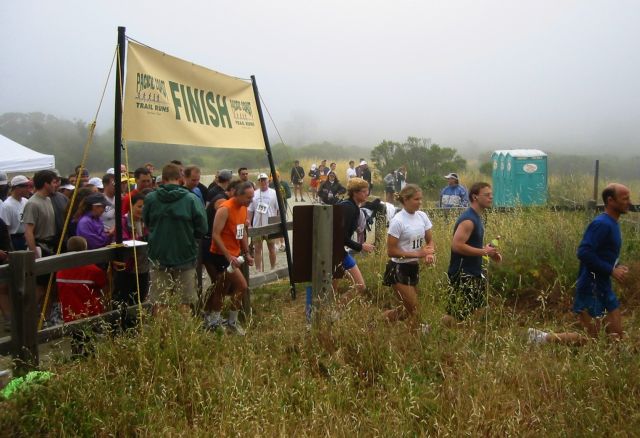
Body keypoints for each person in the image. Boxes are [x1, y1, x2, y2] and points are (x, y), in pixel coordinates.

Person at [529, 183, 632, 345]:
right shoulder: (602, 224)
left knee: (616, 336)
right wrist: (611, 270)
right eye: (625, 199)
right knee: (592, 340)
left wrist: (616, 266)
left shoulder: (613, 223)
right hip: (591, 288)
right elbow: (584, 252)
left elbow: (603, 253)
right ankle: (541, 338)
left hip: (603, 286)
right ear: (611, 200)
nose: (629, 202)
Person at [143, 163, 208, 315]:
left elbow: (147, 223)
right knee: (184, 302)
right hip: (185, 254)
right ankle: (183, 336)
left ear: (163, 179)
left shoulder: (151, 199)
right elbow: (203, 228)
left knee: (160, 302)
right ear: (180, 178)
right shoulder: (191, 199)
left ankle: (163, 337)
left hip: (158, 255)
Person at [444, 182, 502, 324]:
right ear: (475, 197)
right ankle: (441, 332)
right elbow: (457, 246)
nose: (491, 197)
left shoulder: (477, 217)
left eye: (491, 194)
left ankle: (436, 330)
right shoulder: (469, 220)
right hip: (463, 273)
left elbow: (470, 245)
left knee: (467, 312)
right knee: (468, 313)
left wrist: (488, 251)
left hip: (472, 272)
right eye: (487, 195)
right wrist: (483, 251)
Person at [382, 184, 435, 331]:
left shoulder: (422, 216)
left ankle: (378, 321)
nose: (420, 202)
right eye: (416, 199)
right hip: (398, 268)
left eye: (421, 199)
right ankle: (415, 341)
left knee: (405, 310)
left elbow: (430, 241)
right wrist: (418, 254)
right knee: (415, 310)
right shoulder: (398, 221)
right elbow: (391, 251)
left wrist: (429, 253)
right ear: (405, 199)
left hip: (414, 267)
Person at [208, 181, 255, 334]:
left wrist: (247, 252)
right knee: (242, 286)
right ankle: (230, 322)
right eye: (248, 198)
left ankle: (216, 320)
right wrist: (229, 257)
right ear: (239, 195)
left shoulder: (243, 209)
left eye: (252, 197)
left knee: (223, 288)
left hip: (234, 255)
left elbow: (241, 232)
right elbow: (215, 235)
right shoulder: (225, 209)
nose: (251, 201)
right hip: (221, 255)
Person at [56, 236, 106, 356]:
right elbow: (103, 283)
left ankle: (77, 357)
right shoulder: (92, 270)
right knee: (91, 343)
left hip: (70, 313)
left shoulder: (60, 270)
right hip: (89, 313)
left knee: (76, 340)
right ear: (85, 249)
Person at [114, 192, 150, 326]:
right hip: (128, 267)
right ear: (131, 206)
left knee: (140, 296)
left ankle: (136, 324)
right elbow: (122, 240)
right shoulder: (123, 221)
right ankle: (122, 325)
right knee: (124, 297)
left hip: (143, 265)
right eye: (139, 207)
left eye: (144, 207)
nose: (142, 210)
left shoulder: (147, 221)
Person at [335, 177, 375, 297]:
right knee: (360, 287)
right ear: (354, 192)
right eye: (363, 191)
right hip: (335, 253)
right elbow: (340, 236)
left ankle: (336, 309)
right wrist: (361, 246)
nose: (367, 193)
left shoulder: (351, 206)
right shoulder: (348, 208)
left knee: (334, 289)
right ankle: (335, 310)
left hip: (337, 251)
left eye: (367, 190)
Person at [248, 173, 279, 272]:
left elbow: (279, 210)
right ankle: (258, 270)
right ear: (258, 182)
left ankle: (273, 268)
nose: (263, 182)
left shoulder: (274, 192)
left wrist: (277, 224)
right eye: (260, 180)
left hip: (270, 226)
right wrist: (249, 224)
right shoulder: (254, 193)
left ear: (268, 181)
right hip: (258, 226)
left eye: (264, 180)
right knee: (257, 249)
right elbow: (250, 211)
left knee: (272, 248)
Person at [0, 175, 30, 251]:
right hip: (15, 240)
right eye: (26, 186)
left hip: (26, 237)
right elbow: (5, 229)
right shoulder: (7, 205)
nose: (29, 189)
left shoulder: (25, 201)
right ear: (17, 188)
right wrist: (10, 247)